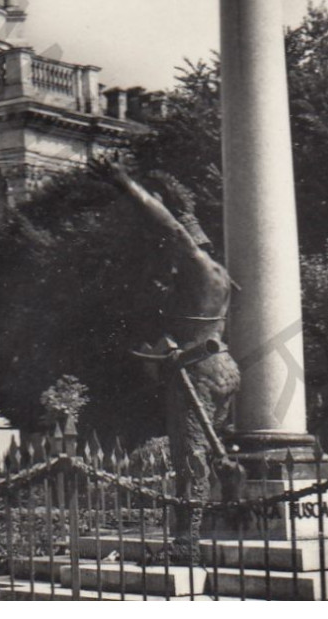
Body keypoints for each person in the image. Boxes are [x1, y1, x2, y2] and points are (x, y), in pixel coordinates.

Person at [94, 157, 241, 554]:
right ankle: (212, 522)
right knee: (206, 455)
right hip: (219, 365)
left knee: (189, 457)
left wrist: (126, 183)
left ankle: (186, 541)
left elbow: (170, 227)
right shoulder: (221, 276)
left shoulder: (200, 269)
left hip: (198, 371)